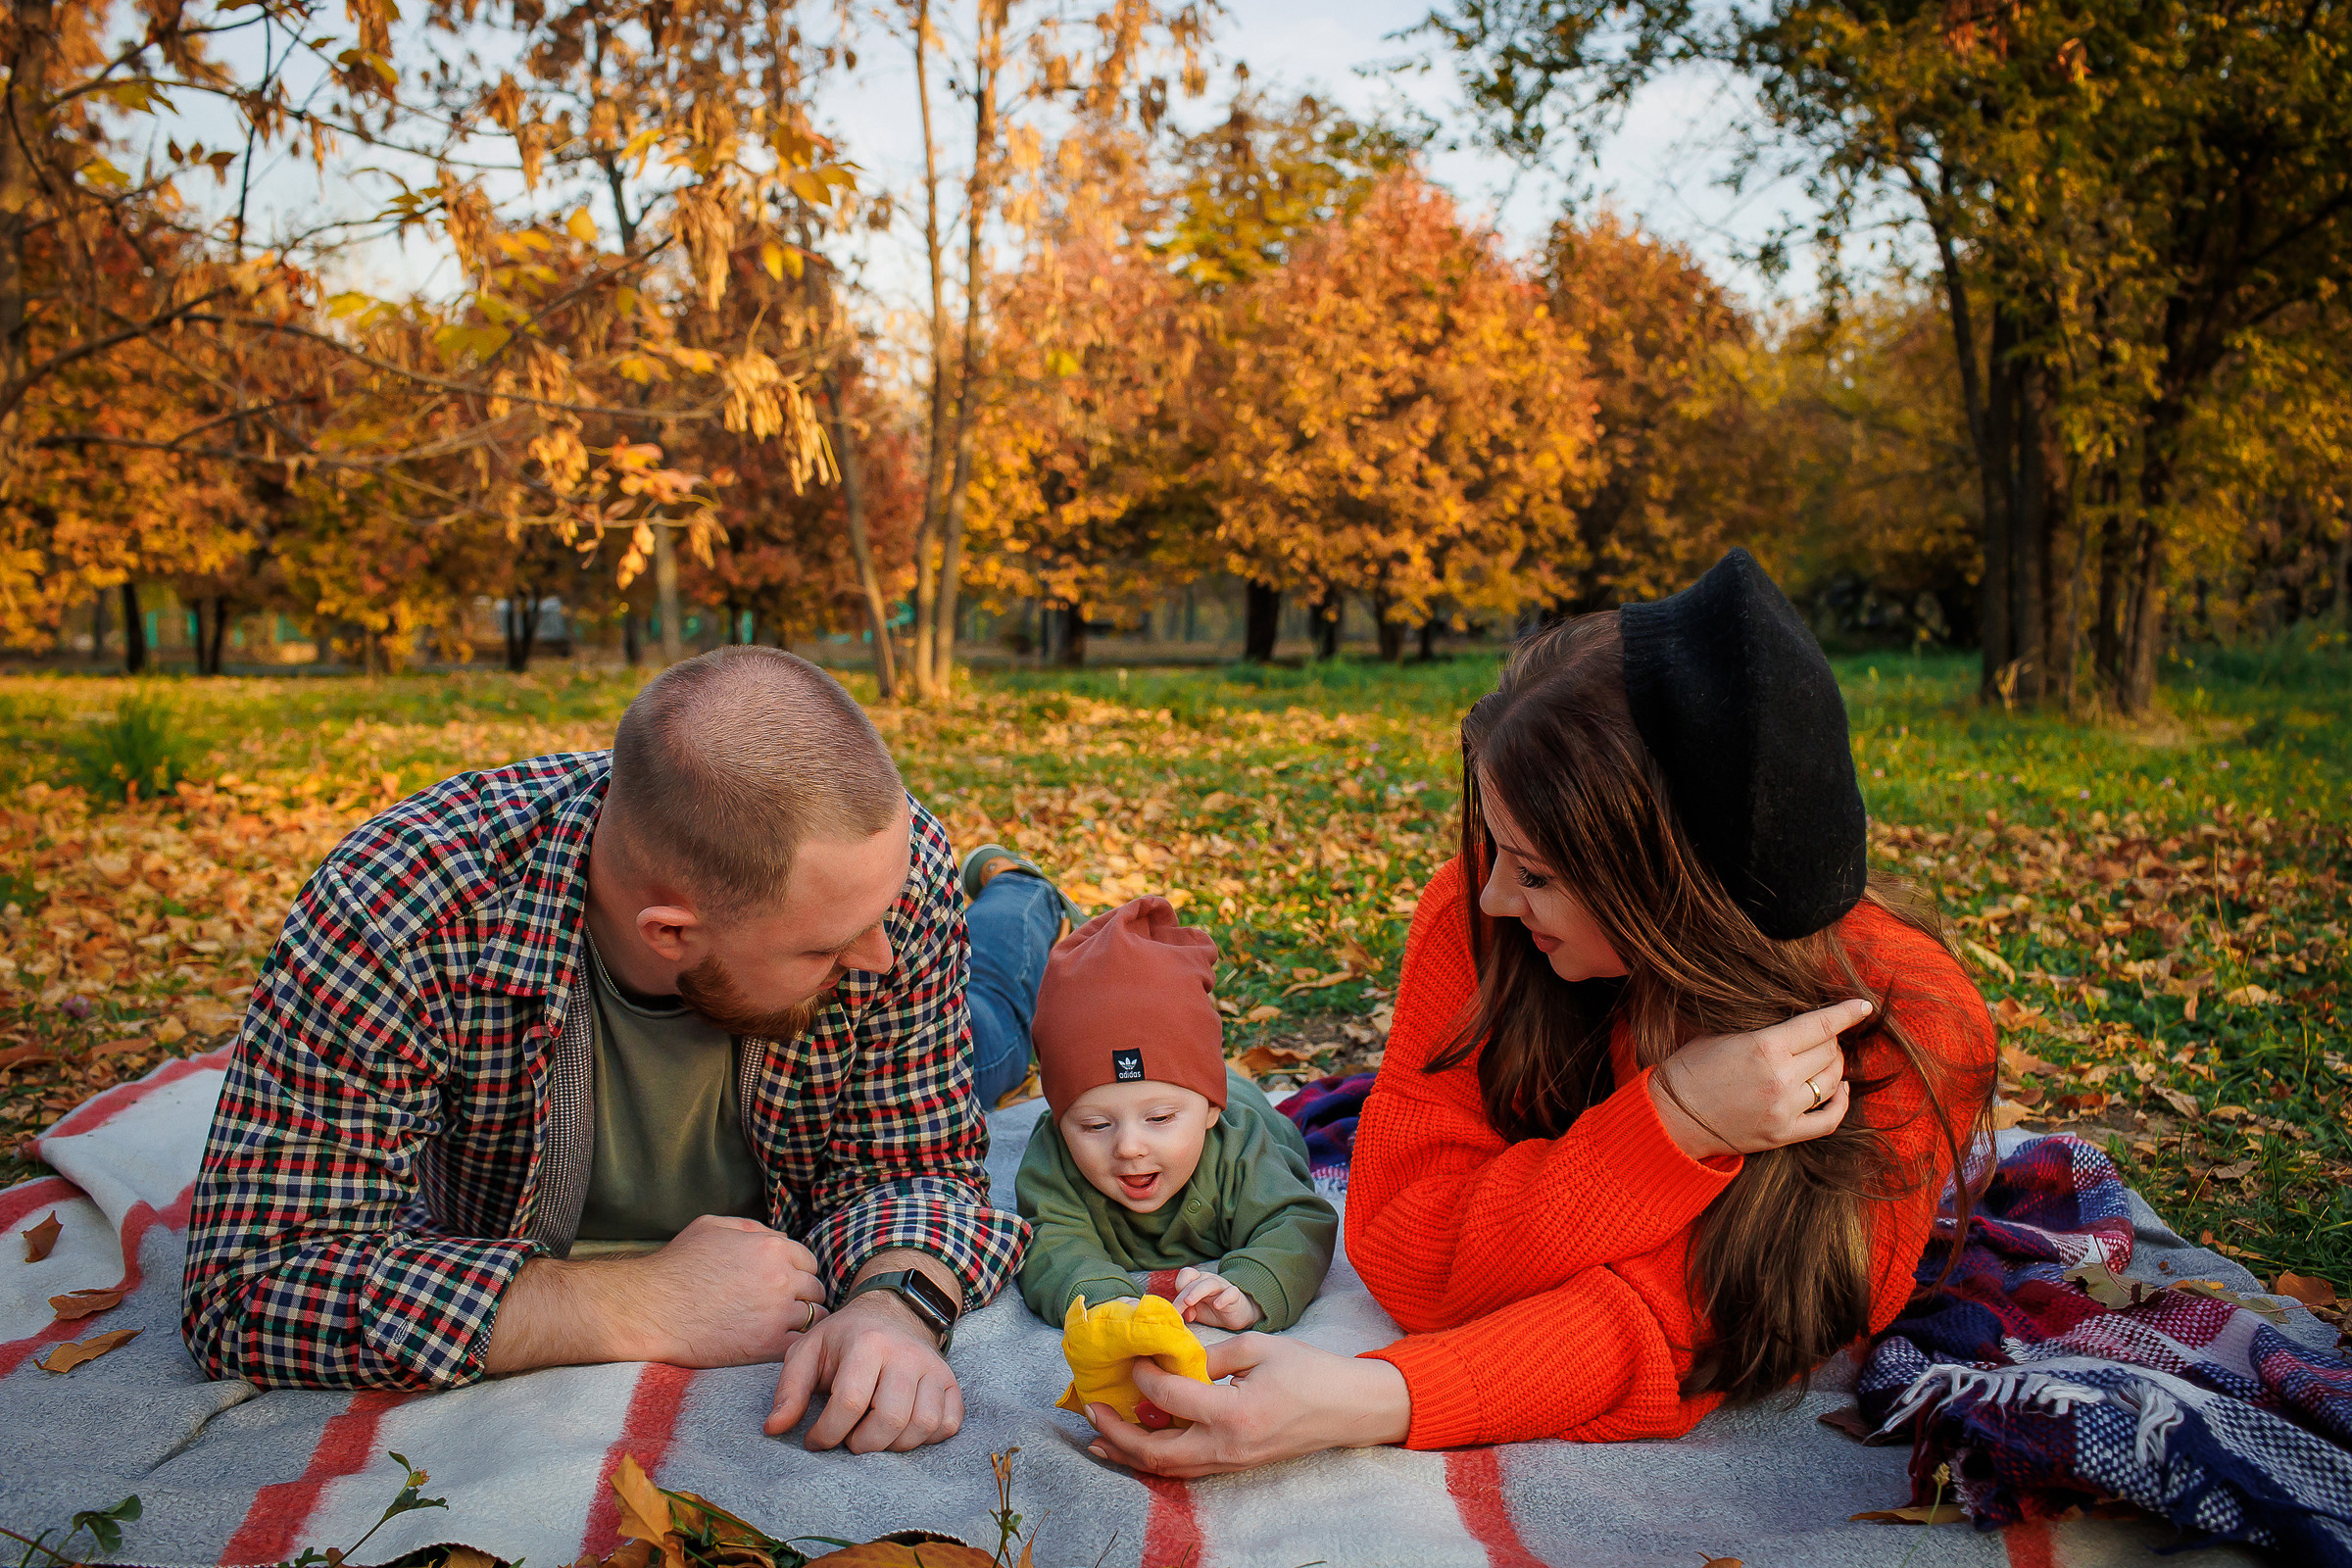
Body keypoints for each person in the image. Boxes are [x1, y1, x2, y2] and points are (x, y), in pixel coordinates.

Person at [1083, 549, 1998, 1474]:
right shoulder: (1481, 919)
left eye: (1540, 873)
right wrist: (1674, 1119)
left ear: (1669, 890)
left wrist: (1373, 1398)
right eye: (1499, 850)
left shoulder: (1914, 1025)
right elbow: (1410, 1250)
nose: (1490, 898)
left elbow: (1708, 1327)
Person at [180, 647, 1062, 1455]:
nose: (880, 956)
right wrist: (637, 1301)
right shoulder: (398, 917)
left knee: (992, 1029)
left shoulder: (892, 883)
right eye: (827, 945)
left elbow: (915, 1164)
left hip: (899, 1049)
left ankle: (1020, 896)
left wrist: (893, 1303)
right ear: (669, 932)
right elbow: (249, 1282)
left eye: (880, 916)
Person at [1014, 897, 1337, 1335]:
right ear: (1059, 1120)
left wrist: (1250, 1293)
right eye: (1095, 1125)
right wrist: (1101, 1300)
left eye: (1160, 1118)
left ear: (1209, 1110)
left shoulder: (1242, 1148)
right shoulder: (1053, 1158)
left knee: (1250, 1114)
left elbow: (1298, 1223)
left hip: (1240, 1100)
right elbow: (1048, 1241)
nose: (1128, 1147)